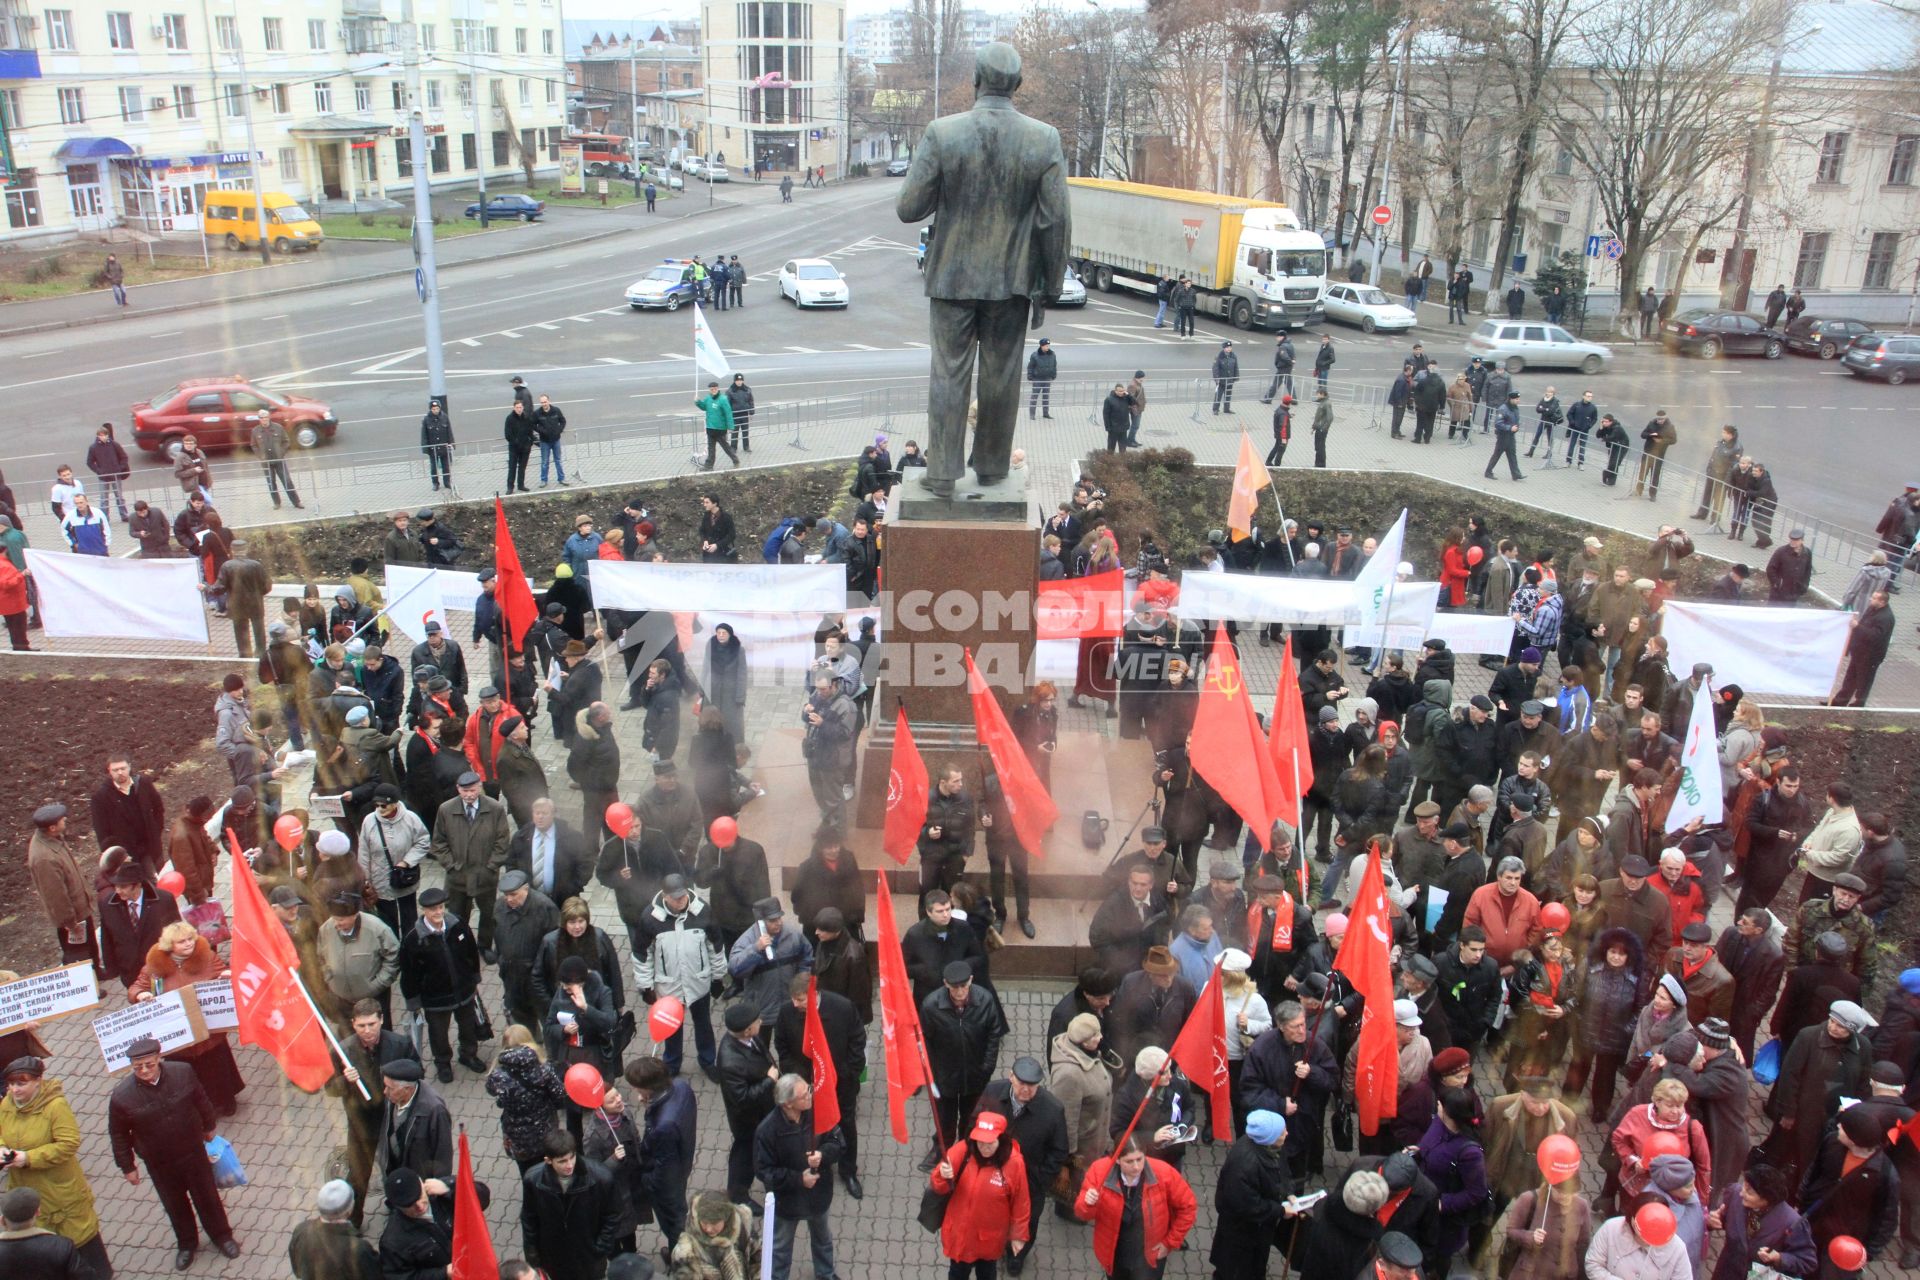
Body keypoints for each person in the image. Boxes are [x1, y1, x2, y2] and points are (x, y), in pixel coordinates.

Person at [108, 1037, 238, 1268]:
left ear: (159, 1058)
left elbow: (201, 1098)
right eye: (138, 1067)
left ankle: (222, 1236)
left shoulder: (183, 1072)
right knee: (174, 1204)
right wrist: (127, 1166)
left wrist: (209, 1126)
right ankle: (187, 1244)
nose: (144, 1070)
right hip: (159, 1162)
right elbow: (118, 1134)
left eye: (149, 1064)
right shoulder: (121, 1097)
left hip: (193, 1151)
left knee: (207, 1196)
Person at [0, 1056, 111, 1279]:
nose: (14, 1089)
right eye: (11, 1084)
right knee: (46, 1248)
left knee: (81, 1239)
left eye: (21, 1083)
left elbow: (68, 1143)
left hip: (61, 1190)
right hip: (26, 1187)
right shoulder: (6, 1105)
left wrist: (28, 1158)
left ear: (38, 1081)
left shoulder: (55, 1106)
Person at [754, 1074, 846, 1280]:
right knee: (780, 1249)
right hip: (787, 1202)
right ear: (787, 1104)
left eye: (809, 1090)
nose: (811, 1096)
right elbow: (764, 1171)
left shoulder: (819, 1112)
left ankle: (826, 1274)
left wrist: (823, 1154)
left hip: (818, 1195)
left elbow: (839, 1142)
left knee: (823, 1239)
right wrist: (798, 1179)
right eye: (804, 1095)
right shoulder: (767, 1131)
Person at [921, 962, 1008, 1170]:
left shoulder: (985, 1000)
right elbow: (926, 1043)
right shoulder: (931, 1005)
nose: (960, 992)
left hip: (975, 1074)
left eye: (963, 986)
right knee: (945, 1118)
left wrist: (987, 1067)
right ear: (945, 984)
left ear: (970, 981)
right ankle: (942, 1149)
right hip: (945, 1076)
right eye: (954, 987)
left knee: (971, 1116)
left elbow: (993, 1035)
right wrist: (933, 1074)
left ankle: (966, 1147)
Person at [1073, 1134, 1198, 1279]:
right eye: (1129, 1161)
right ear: (1118, 1160)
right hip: (1115, 1255)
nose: (1136, 1166)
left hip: (1149, 1258)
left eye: (1139, 1159)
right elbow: (1081, 1213)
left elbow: (1188, 1207)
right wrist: (1088, 1203)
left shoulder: (1164, 1173)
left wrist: (1169, 1242)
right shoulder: (1099, 1172)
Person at [398, 885, 488, 1082]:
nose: (438, 912)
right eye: (433, 909)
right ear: (424, 911)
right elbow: (409, 973)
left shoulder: (458, 925)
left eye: (440, 907)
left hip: (464, 991)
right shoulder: (413, 939)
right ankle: (443, 1063)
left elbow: (471, 952)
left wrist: (475, 977)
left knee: (468, 1027)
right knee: (438, 1033)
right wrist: (413, 1001)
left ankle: (468, 1054)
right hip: (435, 999)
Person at [519, 1128, 623, 1280]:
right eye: (562, 1161)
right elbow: (529, 1218)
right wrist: (533, 1254)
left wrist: (600, 1247)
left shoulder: (600, 1177)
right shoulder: (534, 1180)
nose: (569, 1165)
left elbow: (613, 1215)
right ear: (548, 1160)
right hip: (553, 1255)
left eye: (571, 1158)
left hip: (588, 1256)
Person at [27, 804, 100, 973]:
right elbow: (56, 896)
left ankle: (97, 972)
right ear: (52, 827)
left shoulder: (53, 838)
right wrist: (70, 923)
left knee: (89, 946)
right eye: (62, 819)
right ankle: (87, 987)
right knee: (78, 954)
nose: (65, 819)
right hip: (72, 918)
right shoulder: (44, 858)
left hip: (80, 910)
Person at [1486, 391, 1525, 480]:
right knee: (1497, 454)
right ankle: (1488, 472)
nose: (1518, 401)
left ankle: (1516, 474)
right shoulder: (1503, 409)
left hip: (1510, 436)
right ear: (1511, 399)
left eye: (1518, 399)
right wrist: (1510, 428)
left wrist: (1516, 427)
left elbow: (1515, 420)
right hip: (1503, 436)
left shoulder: (1514, 408)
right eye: (1516, 399)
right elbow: (1498, 423)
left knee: (1512, 455)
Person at [1027, 337, 1058, 419]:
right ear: (1041, 346)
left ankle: (1046, 413)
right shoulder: (1035, 355)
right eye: (1046, 345)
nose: (1048, 347)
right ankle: (1032, 414)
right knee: (1034, 397)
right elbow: (1030, 367)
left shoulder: (1052, 354)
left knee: (1046, 397)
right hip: (1037, 379)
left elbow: (1054, 365)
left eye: (1048, 345)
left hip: (1047, 378)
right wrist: (1030, 376)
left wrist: (1054, 375)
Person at [1211, 341, 1240, 414]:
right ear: (1224, 348)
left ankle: (1226, 409)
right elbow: (1215, 369)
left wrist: (1236, 377)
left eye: (1230, 347)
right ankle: (1215, 409)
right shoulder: (1219, 356)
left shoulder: (1233, 356)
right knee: (1218, 395)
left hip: (1230, 380)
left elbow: (1236, 367)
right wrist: (1217, 379)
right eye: (1227, 347)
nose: (1229, 349)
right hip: (1221, 380)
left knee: (1228, 395)